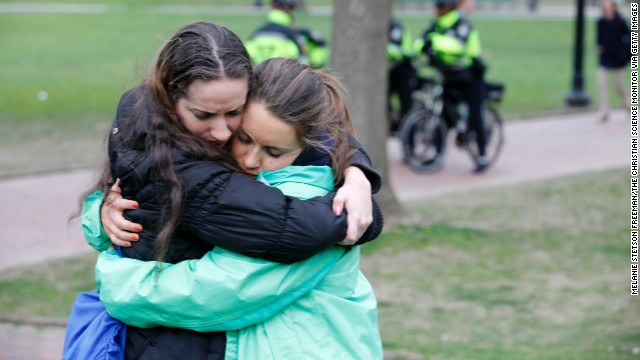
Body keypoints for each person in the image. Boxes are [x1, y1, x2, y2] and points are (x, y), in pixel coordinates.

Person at [69, 21, 383, 359]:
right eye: (243, 137)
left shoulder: (308, 191)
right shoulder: (195, 149)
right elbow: (133, 193)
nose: (244, 154)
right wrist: (101, 211)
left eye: (273, 152)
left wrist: (120, 285)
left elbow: (224, 288)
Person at [421, 0, 489, 172]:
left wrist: (433, 41)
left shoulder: (462, 22)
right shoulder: (436, 25)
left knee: (476, 114)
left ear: (448, 8)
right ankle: (437, 154)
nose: (436, 10)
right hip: (449, 76)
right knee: (442, 115)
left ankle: (482, 155)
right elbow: (420, 43)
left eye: (439, 7)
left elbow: (459, 46)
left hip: (470, 76)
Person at [244, 0, 329, 68]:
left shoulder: (256, 34)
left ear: (272, 7)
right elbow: (307, 63)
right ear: (288, 10)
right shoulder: (298, 35)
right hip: (286, 83)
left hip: (260, 82)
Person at [596, 0, 631, 122]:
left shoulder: (620, 20)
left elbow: (629, 36)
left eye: (609, 5)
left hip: (618, 57)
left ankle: (629, 106)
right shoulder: (600, 21)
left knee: (619, 85)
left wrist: (625, 51)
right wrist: (599, 46)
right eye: (605, 5)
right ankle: (604, 112)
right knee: (602, 83)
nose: (607, 8)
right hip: (605, 56)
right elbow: (599, 39)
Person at [387, 17, 417, 133]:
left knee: (407, 107)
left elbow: (399, 51)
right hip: (390, 73)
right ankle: (394, 125)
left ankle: (410, 138)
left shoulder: (395, 26)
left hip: (403, 71)